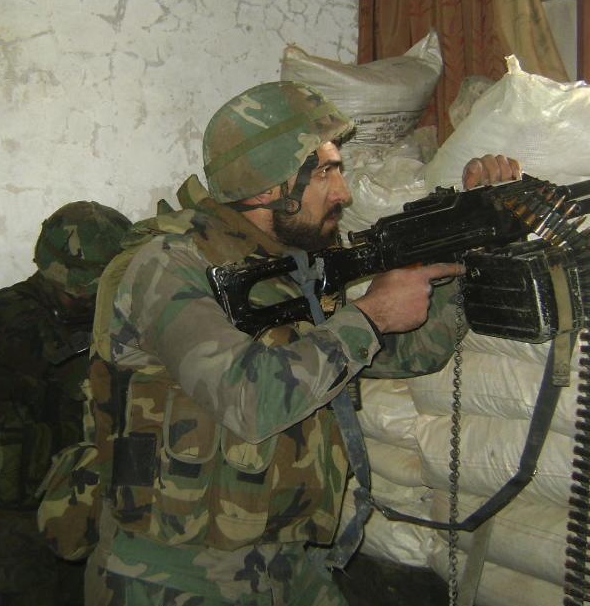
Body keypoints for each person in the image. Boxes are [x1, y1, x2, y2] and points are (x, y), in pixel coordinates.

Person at [82, 81, 519, 605]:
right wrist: (372, 313)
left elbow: (410, 352)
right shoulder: (167, 266)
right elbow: (250, 399)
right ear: (270, 185)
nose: (343, 192)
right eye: (327, 172)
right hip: (172, 574)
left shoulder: (285, 270)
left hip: (285, 562)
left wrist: (459, 241)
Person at [0, 201, 133, 606]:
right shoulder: (10, 317)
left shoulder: (79, 316)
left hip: (66, 498)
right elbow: (75, 372)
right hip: (13, 513)